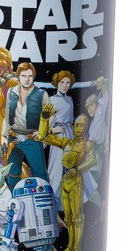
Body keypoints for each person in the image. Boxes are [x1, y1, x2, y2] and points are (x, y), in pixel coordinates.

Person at [37, 104, 96, 251]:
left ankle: (77, 250)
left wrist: (77, 170)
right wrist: (44, 118)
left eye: (81, 125)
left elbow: (92, 161)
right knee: (69, 218)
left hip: (76, 182)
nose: (78, 128)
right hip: (65, 182)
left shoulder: (87, 144)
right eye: (76, 125)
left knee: (77, 218)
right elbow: (44, 137)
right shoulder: (67, 143)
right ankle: (70, 247)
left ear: (86, 127)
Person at [1, 62, 50, 188]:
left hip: (32, 139)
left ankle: (43, 199)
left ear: (34, 76)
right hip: (13, 138)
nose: (27, 79)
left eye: (30, 76)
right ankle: (13, 198)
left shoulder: (41, 94)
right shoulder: (12, 92)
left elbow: (50, 116)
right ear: (18, 76)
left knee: (40, 175)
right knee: (12, 174)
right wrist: (4, 135)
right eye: (23, 76)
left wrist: (42, 132)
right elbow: (7, 114)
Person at [47, 71, 76, 212]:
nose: (65, 85)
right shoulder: (52, 100)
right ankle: (53, 203)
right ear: (57, 83)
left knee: (70, 167)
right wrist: (54, 129)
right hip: (58, 136)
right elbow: (45, 122)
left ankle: (67, 204)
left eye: (68, 82)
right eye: (62, 82)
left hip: (70, 134)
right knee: (56, 168)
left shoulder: (69, 99)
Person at [83, 76, 109, 212]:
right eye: (88, 107)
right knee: (86, 189)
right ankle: (102, 205)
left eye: (92, 105)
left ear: (97, 104)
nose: (90, 109)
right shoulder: (94, 122)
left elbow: (104, 101)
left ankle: (102, 205)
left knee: (89, 187)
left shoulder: (99, 115)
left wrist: (102, 85)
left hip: (95, 161)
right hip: (92, 160)